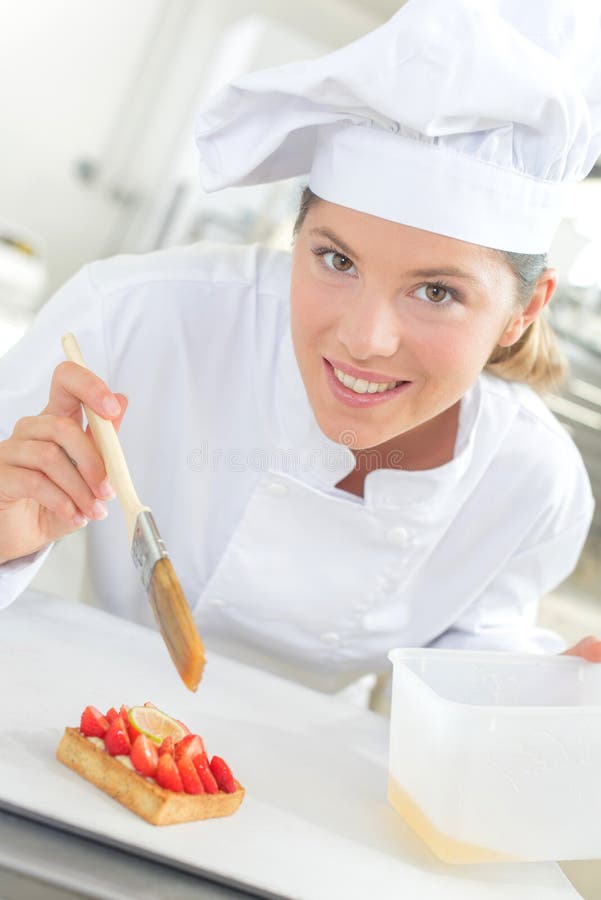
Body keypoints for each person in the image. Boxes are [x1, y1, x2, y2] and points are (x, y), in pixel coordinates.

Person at [1, 0, 600, 697]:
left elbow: (468, 659)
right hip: (64, 714)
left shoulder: (531, 482)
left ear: (524, 310)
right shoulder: (132, 317)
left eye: (435, 292)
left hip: (298, 785)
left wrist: (551, 693)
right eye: (336, 261)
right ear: (295, 236)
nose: (363, 340)